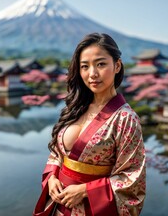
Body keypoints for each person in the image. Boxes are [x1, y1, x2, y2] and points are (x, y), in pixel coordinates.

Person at [34, 33, 146, 216]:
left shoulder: (126, 119)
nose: (92, 74)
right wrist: (52, 176)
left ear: (117, 66)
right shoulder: (76, 107)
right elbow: (57, 153)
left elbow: (132, 179)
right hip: (58, 207)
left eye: (101, 64)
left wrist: (86, 190)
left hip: (91, 210)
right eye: (85, 66)